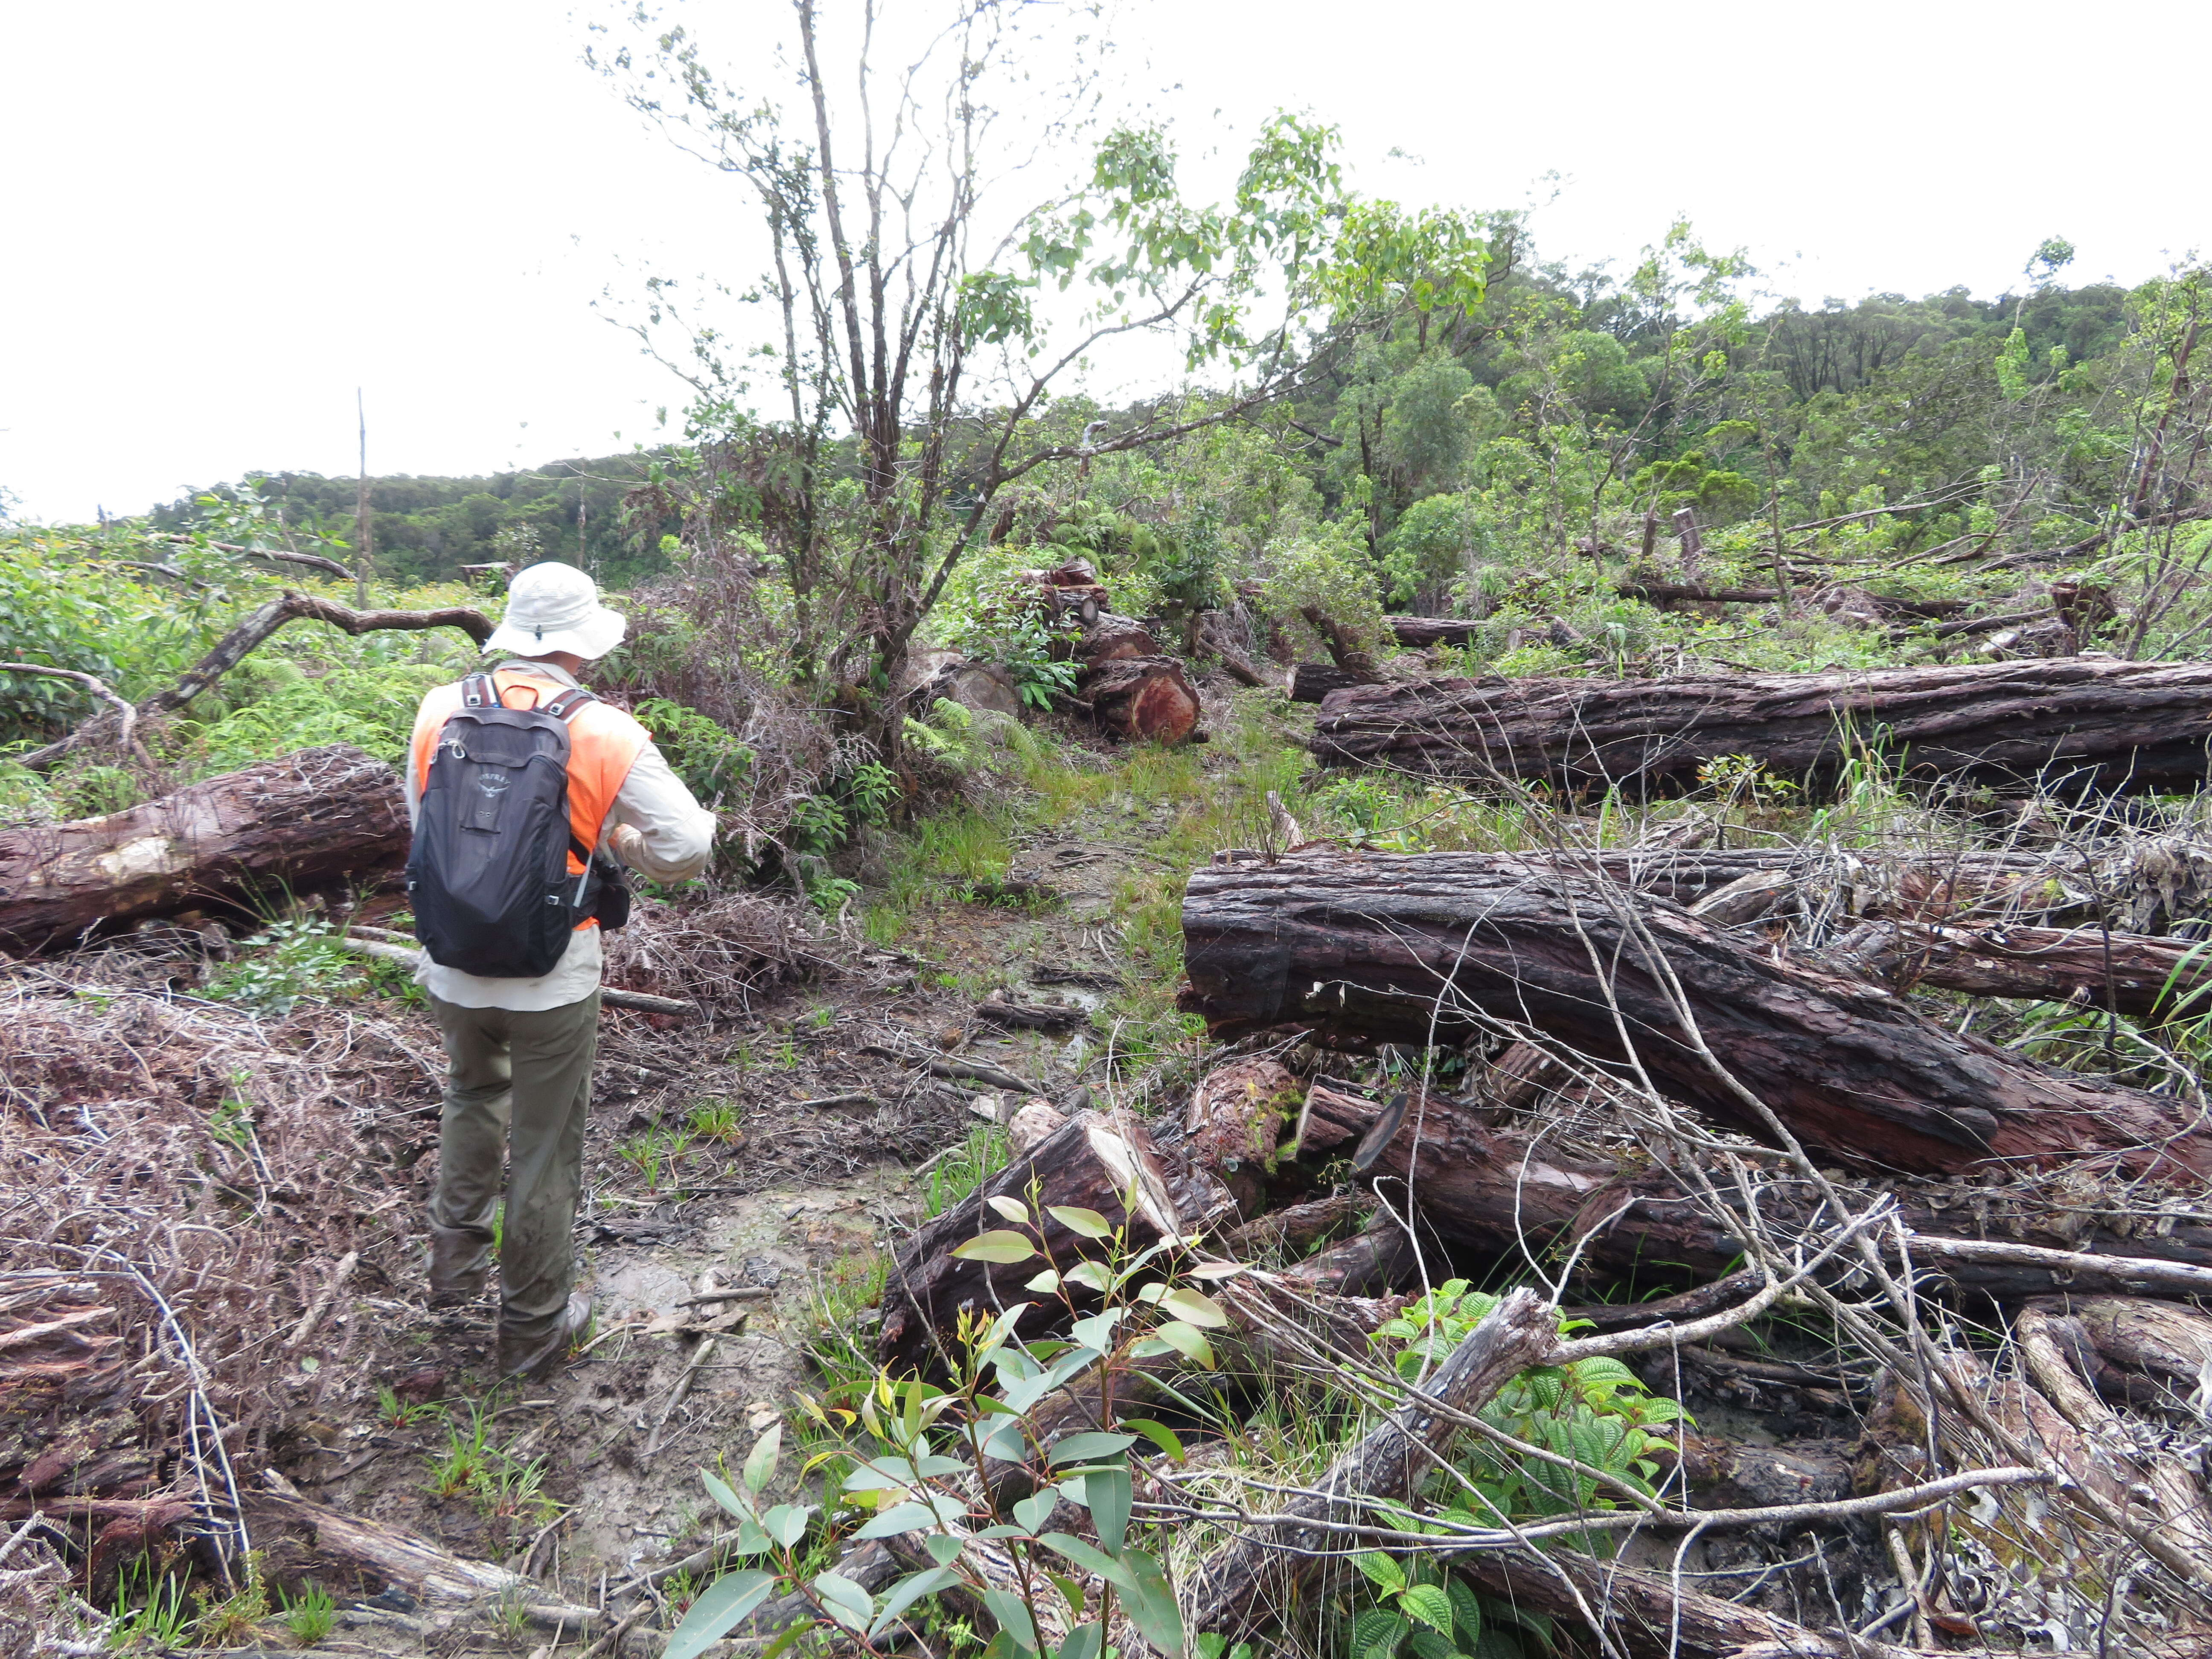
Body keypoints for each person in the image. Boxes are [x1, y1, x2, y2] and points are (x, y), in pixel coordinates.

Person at [404, 562, 716, 1380]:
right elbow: (687, 848)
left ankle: (454, 1271)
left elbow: (423, 828)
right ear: (582, 646)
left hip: (453, 964)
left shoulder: (441, 709)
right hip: (554, 975)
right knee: (545, 1145)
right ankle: (535, 1326)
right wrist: (617, 845)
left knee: (472, 1095)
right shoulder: (607, 731)